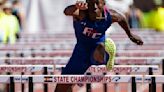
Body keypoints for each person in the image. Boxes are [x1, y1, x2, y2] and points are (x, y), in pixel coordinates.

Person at [55, 0, 143, 92]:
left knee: (100, 47)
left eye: (97, 2)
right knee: (62, 86)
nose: (94, 6)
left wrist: (130, 35)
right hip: (81, 52)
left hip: (98, 49)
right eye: (91, 3)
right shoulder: (81, 13)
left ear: (104, 4)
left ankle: (108, 55)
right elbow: (66, 11)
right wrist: (76, 6)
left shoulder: (110, 15)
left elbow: (121, 18)